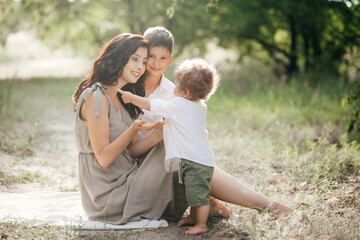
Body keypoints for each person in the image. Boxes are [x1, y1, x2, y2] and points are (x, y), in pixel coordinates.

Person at [140, 26, 294, 219]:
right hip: (143, 159)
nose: (155, 63)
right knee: (189, 160)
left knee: (194, 161)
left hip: (171, 156)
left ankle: (268, 205)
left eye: (162, 58)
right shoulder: (131, 85)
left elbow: (191, 130)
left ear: (170, 60)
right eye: (151, 56)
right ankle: (218, 202)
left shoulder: (176, 91)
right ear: (144, 55)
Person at [72, 33, 188, 224]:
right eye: (134, 59)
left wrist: (159, 134)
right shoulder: (96, 96)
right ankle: (218, 200)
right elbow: (104, 158)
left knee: (175, 142)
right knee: (182, 151)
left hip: (128, 176)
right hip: (109, 195)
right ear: (119, 57)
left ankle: (217, 200)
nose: (141, 67)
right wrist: (133, 129)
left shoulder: (122, 97)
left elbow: (130, 152)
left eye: (143, 61)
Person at [119, 58, 220, 235]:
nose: (173, 89)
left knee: (198, 194)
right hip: (199, 158)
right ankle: (193, 216)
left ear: (186, 92)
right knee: (192, 191)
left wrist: (132, 98)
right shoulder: (199, 105)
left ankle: (201, 224)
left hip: (195, 161)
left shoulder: (179, 105)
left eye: (177, 86)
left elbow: (154, 105)